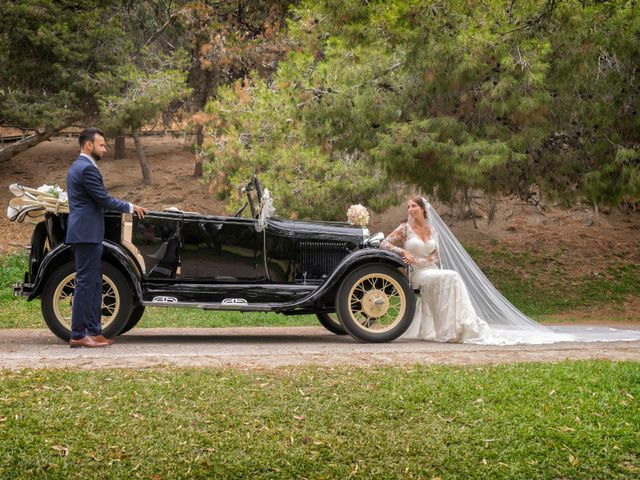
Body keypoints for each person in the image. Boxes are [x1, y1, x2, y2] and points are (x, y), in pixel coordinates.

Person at [66, 128, 148, 348]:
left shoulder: (82, 166)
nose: (105, 148)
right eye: (101, 144)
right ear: (89, 145)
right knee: (85, 283)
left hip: (89, 233)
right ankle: (78, 333)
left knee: (93, 282)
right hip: (85, 234)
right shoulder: (85, 169)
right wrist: (130, 206)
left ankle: (94, 330)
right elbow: (103, 199)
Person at [381, 197, 492, 343]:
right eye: (408, 207)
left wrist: (419, 260)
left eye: (413, 206)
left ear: (422, 208)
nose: (410, 210)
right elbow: (384, 244)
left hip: (431, 269)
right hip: (416, 273)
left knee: (452, 277)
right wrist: (403, 252)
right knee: (451, 276)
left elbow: (436, 255)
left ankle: (458, 327)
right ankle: (448, 331)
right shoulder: (404, 228)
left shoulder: (432, 229)